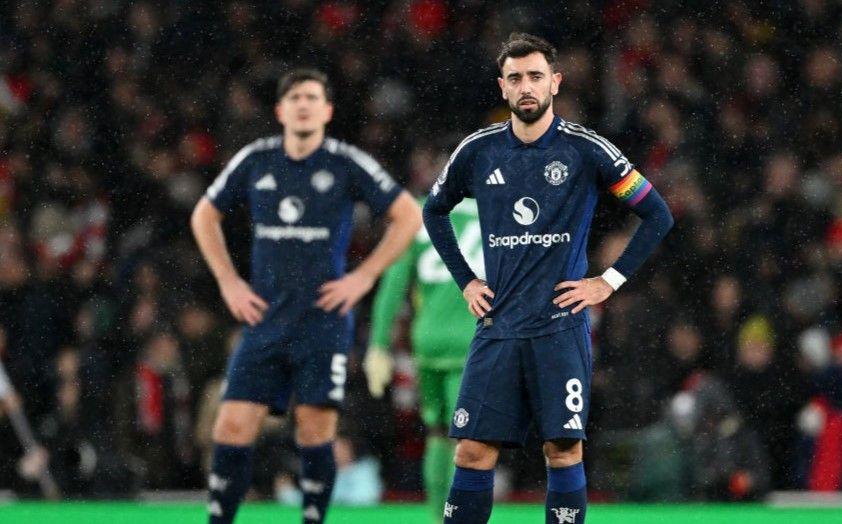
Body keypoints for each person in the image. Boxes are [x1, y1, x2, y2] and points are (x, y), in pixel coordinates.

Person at [422, 33, 673, 524]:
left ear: (555, 82)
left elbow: (657, 214)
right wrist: (466, 281)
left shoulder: (587, 150)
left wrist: (609, 281)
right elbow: (433, 211)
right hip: (497, 328)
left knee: (562, 452)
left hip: (560, 328)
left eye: (536, 76)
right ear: (502, 87)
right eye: (515, 78)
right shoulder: (477, 151)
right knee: (472, 452)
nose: (526, 86)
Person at [190, 68, 421, 524]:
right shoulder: (256, 159)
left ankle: (313, 519)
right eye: (294, 97)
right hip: (265, 320)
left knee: (315, 429)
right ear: (280, 110)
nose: (303, 104)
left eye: (313, 97)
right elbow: (204, 215)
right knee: (232, 425)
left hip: (323, 320)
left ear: (327, 110)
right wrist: (229, 281)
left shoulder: (344, 162)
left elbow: (408, 216)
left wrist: (365, 276)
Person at [366, 195, 484, 522]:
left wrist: (378, 345)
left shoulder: (418, 213)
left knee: (437, 431)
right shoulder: (497, 207)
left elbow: (394, 283)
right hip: (475, 338)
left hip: (428, 339)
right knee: (469, 437)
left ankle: (437, 517)